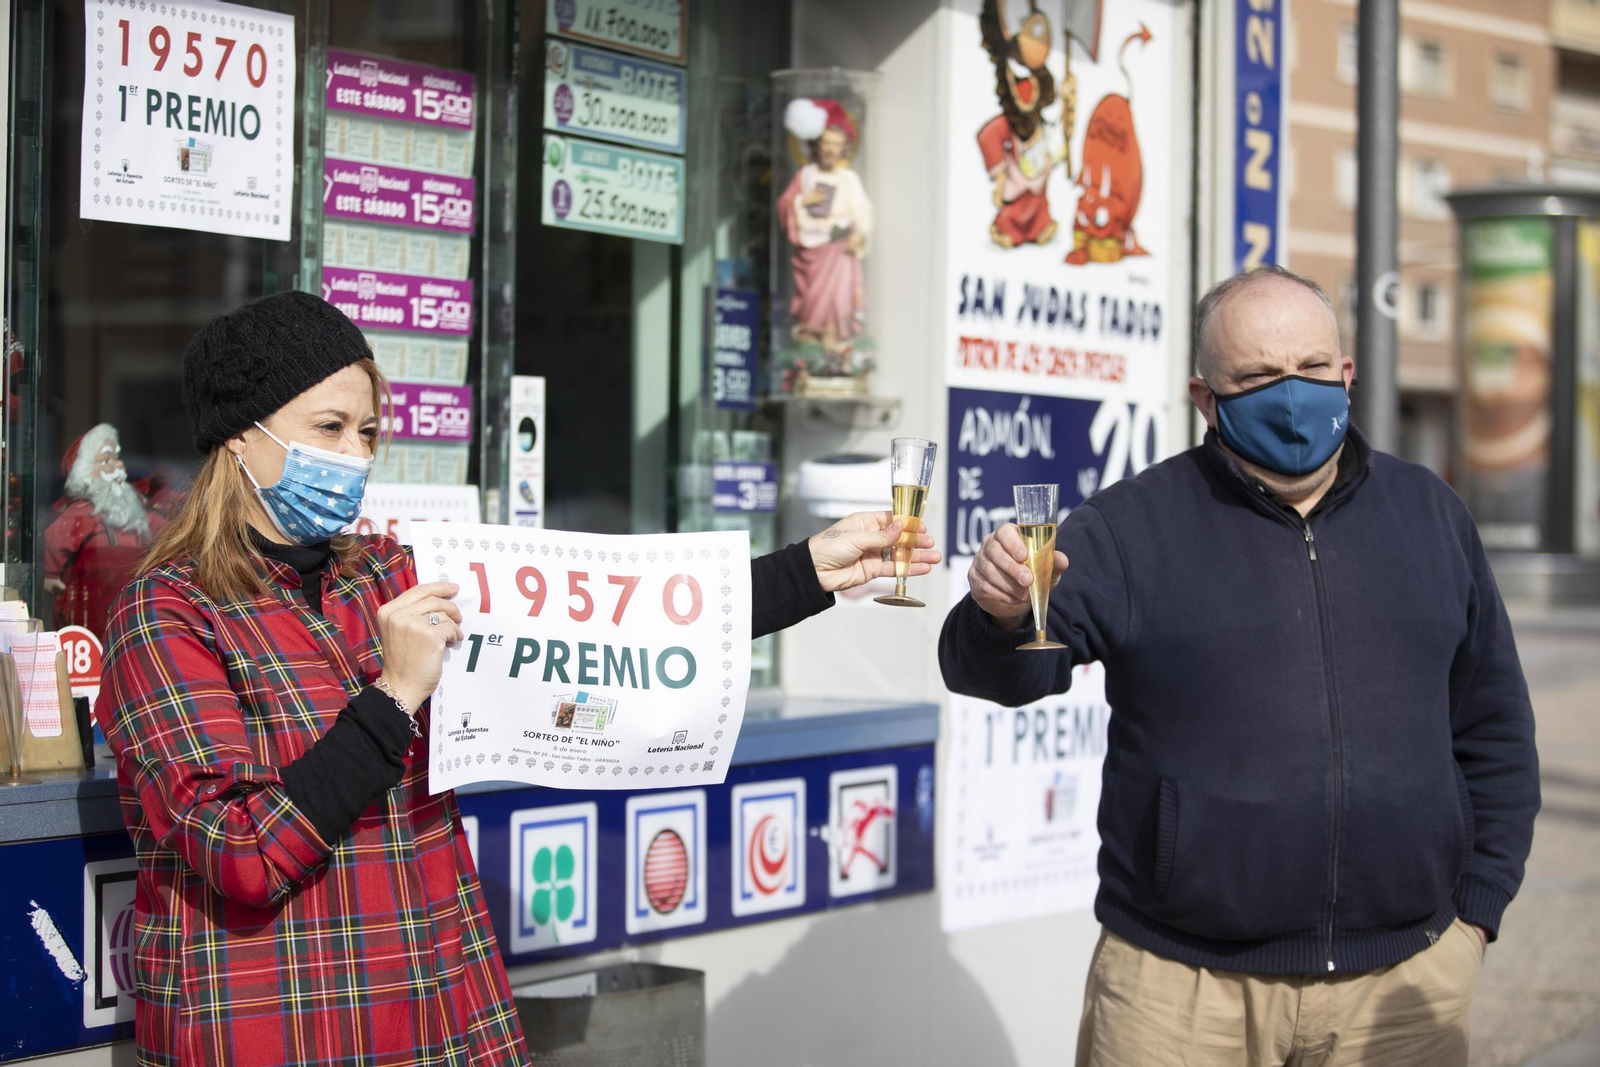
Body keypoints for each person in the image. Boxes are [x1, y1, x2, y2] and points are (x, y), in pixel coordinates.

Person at [99, 291, 936, 1067]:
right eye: (330, 427)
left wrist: (809, 571)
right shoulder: (168, 616)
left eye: (368, 433)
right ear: (240, 434)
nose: (354, 456)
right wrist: (392, 697)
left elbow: (616, 622)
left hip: (439, 1020)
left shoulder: (387, 574)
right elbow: (243, 851)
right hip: (283, 1027)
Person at [940, 265, 1539, 1067]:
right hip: (1178, 993)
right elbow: (1003, 674)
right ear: (1203, 397)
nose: (1292, 394)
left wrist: (1475, 914)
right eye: (1257, 376)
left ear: (1347, 372)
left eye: (1313, 368)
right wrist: (999, 614)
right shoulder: (1130, 526)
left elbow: (1493, 721)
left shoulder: (1429, 513)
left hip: (1402, 986)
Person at [42, 423, 176, 637]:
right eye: (106, 460)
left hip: (131, 596)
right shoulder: (81, 513)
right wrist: (51, 574)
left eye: (116, 458)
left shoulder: (133, 508)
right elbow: (58, 537)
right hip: (92, 600)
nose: (116, 466)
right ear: (85, 472)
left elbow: (156, 527)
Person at [776, 97, 873, 370]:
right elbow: (785, 205)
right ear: (817, 146)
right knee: (811, 305)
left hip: (839, 251)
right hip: (811, 251)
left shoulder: (848, 179)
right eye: (826, 143)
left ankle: (837, 351)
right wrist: (801, 202)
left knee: (840, 304)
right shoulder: (805, 175)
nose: (831, 149)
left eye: (836, 144)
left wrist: (860, 233)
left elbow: (862, 211)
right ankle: (811, 353)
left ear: (844, 148)